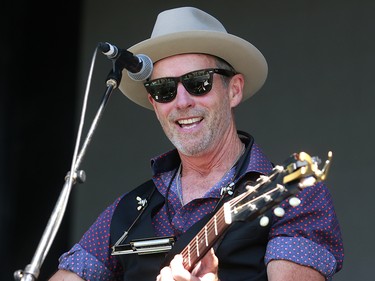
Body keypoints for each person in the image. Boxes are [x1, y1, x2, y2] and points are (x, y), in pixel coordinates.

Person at [49, 6, 344, 281]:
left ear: (234, 90)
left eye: (198, 82)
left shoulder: (295, 194)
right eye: (164, 89)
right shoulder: (127, 210)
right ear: (154, 103)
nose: (182, 102)